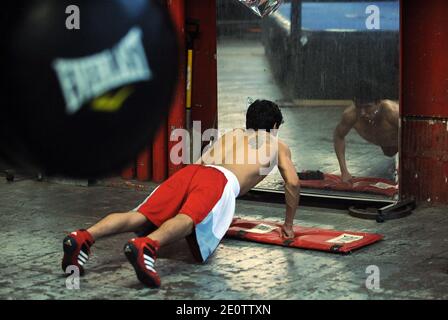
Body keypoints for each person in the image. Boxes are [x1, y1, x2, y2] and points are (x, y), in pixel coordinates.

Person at [61, 99, 300, 288]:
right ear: (276, 126)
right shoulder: (277, 145)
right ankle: (147, 246)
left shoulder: (232, 135)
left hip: (193, 171)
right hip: (219, 181)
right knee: (188, 220)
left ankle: (82, 236)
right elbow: (293, 183)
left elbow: (201, 164)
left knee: (140, 214)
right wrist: (288, 225)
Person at [333, 81, 399, 182]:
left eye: (367, 107)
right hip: (386, 144)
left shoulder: (392, 112)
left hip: (400, 141)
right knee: (389, 152)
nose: (363, 112)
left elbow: (413, 135)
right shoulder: (350, 115)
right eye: (359, 107)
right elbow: (338, 136)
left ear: (378, 103)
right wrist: (344, 171)